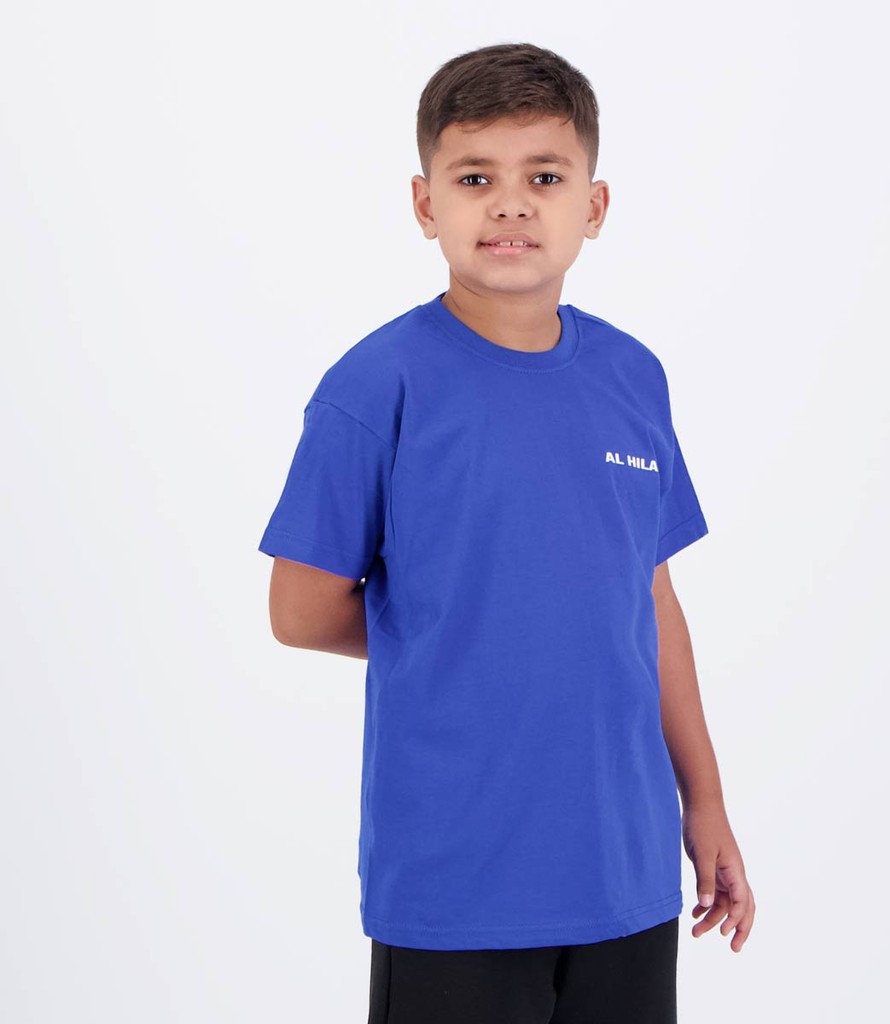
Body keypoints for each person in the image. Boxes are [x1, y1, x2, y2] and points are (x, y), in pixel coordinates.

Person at [258, 41, 755, 1024]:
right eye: (476, 178)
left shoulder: (632, 377)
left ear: (594, 207)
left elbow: (649, 602)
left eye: (545, 178)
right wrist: (463, 628)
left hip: (623, 870)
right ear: (425, 203)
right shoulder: (377, 386)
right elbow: (300, 611)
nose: (512, 205)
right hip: (457, 881)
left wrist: (704, 802)